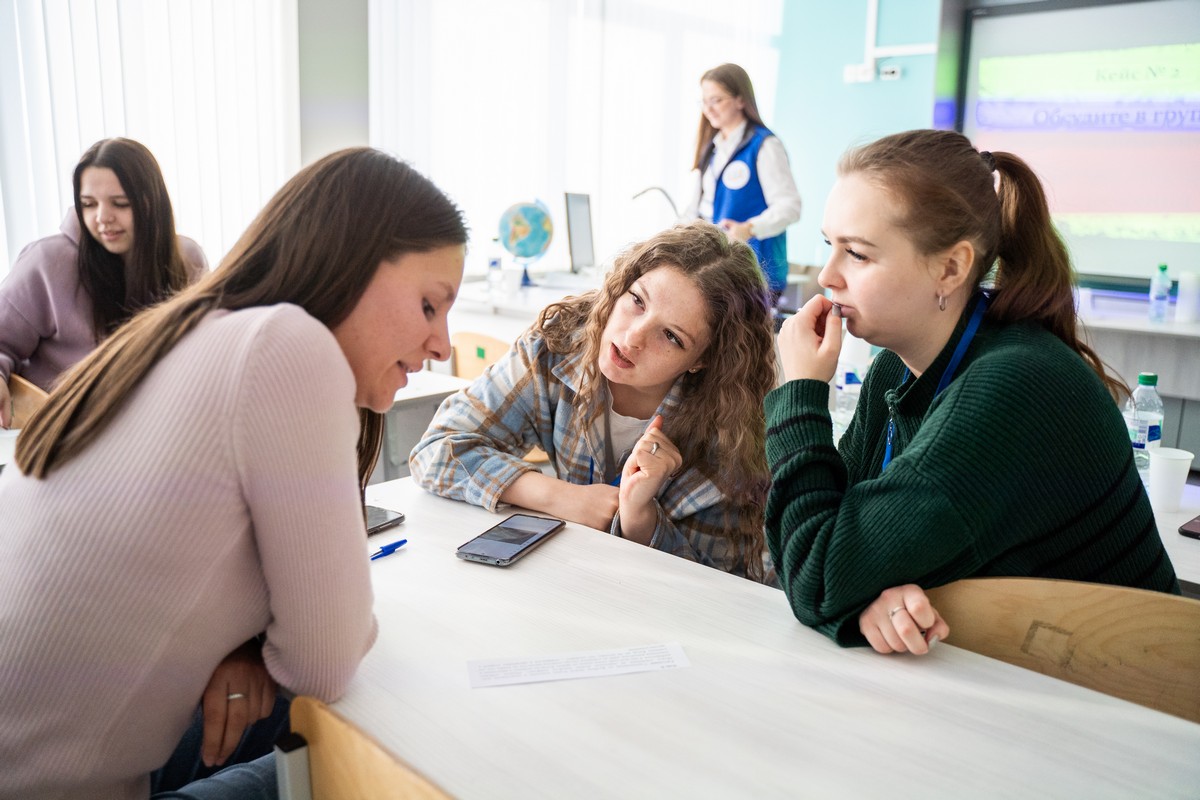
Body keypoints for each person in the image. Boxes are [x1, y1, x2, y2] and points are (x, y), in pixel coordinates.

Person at [0, 147, 468, 799]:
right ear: (352, 263)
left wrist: (251, 648)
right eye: (428, 305)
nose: (443, 343)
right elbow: (326, 660)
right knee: (390, 765)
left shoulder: (187, 326)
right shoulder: (288, 348)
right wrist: (281, 648)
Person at [766, 129, 1179, 654]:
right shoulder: (894, 369)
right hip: (1008, 670)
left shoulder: (1014, 388)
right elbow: (826, 550)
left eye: (858, 255)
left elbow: (816, 575)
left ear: (951, 268)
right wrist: (863, 597)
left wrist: (800, 390)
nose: (828, 276)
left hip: (1123, 686)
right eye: (830, 246)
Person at [411, 221, 777, 582]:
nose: (632, 338)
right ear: (621, 286)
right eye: (637, 301)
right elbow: (436, 449)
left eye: (670, 336)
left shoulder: (731, 434)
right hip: (570, 584)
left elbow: (722, 589)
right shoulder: (558, 343)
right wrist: (561, 497)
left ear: (704, 360)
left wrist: (639, 520)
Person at [0, 137, 208, 428]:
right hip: (66, 434)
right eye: (88, 204)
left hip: (162, 428)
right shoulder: (47, 262)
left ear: (151, 202)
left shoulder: (187, 258)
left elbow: (205, 348)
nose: (102, 218)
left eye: (120, 203)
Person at [682, 63, 801, 303]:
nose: (708, 109)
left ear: (740, 100)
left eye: (716, 100)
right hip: (718, 268)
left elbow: (790, 207)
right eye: (704, 101)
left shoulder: (764, 146)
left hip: (754, 273)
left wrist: (749, 228)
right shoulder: (712, 148)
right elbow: (698, 208)